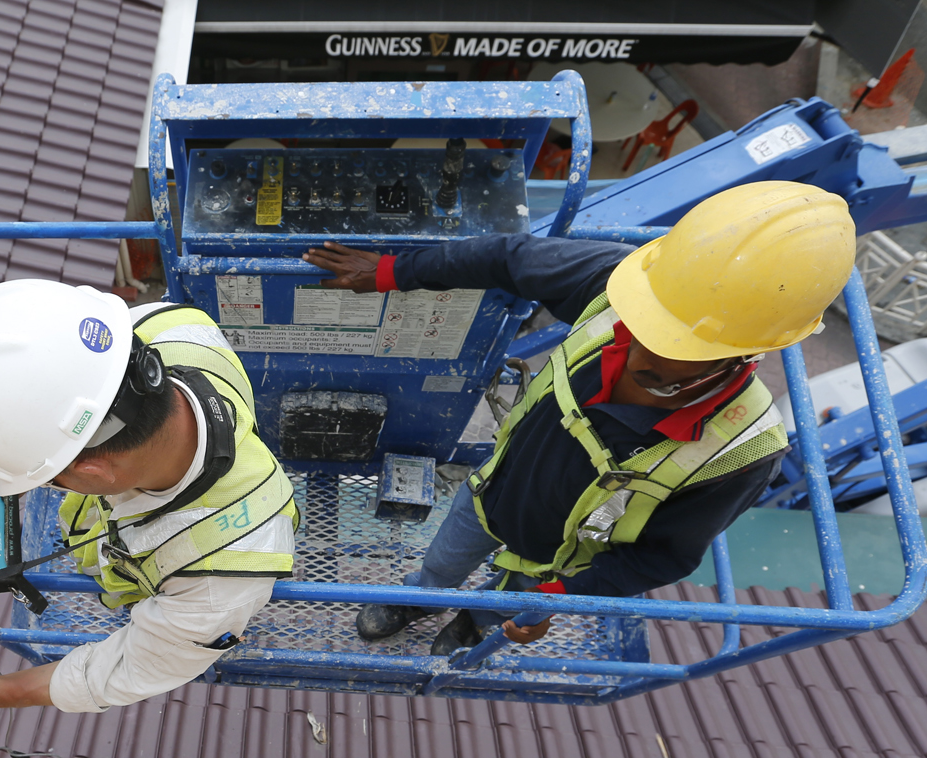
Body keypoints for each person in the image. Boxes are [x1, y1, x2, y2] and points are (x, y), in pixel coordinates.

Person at [301, 180, 855, 654]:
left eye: (671, 349)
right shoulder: (622, 288)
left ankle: (475, 621)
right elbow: (509, 258)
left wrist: (555, 602)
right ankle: (419, 600)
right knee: (440, 566)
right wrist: (397, 271)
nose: (635, 352)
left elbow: (665, 556)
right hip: (491, 495)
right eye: (643, 324)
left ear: (745, 352)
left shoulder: (740, 451)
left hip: (555, 564)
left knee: (507, 605)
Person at [0, 280, 297, 758]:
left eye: (48, 479)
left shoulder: (217, 582)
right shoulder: (171, 326)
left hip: (170, 566)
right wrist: (13, 445)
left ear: (92, 471)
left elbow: (117, 668)